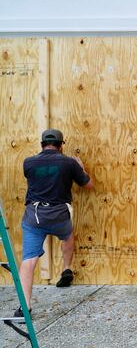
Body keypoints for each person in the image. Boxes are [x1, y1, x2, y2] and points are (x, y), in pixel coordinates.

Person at [16, 129, 93, 319]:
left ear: (42, 144)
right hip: (59, 214)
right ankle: (66, 268)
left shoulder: (28, 163)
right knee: (67, 236)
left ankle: (24, 307)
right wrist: (81, 168)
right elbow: (88, 185)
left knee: (29, 260)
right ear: (61, 145)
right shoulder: (68, 163)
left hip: (34, 216)